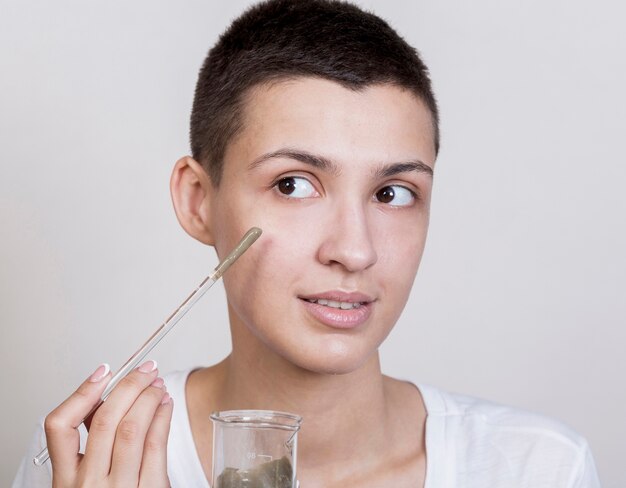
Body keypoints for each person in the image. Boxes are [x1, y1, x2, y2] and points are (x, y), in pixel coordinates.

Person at [14, 0, 601, 486]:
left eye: (393, 193)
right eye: (294, 185)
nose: (355, 250)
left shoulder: (536, 468)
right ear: (198, 200)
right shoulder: (97, 463)